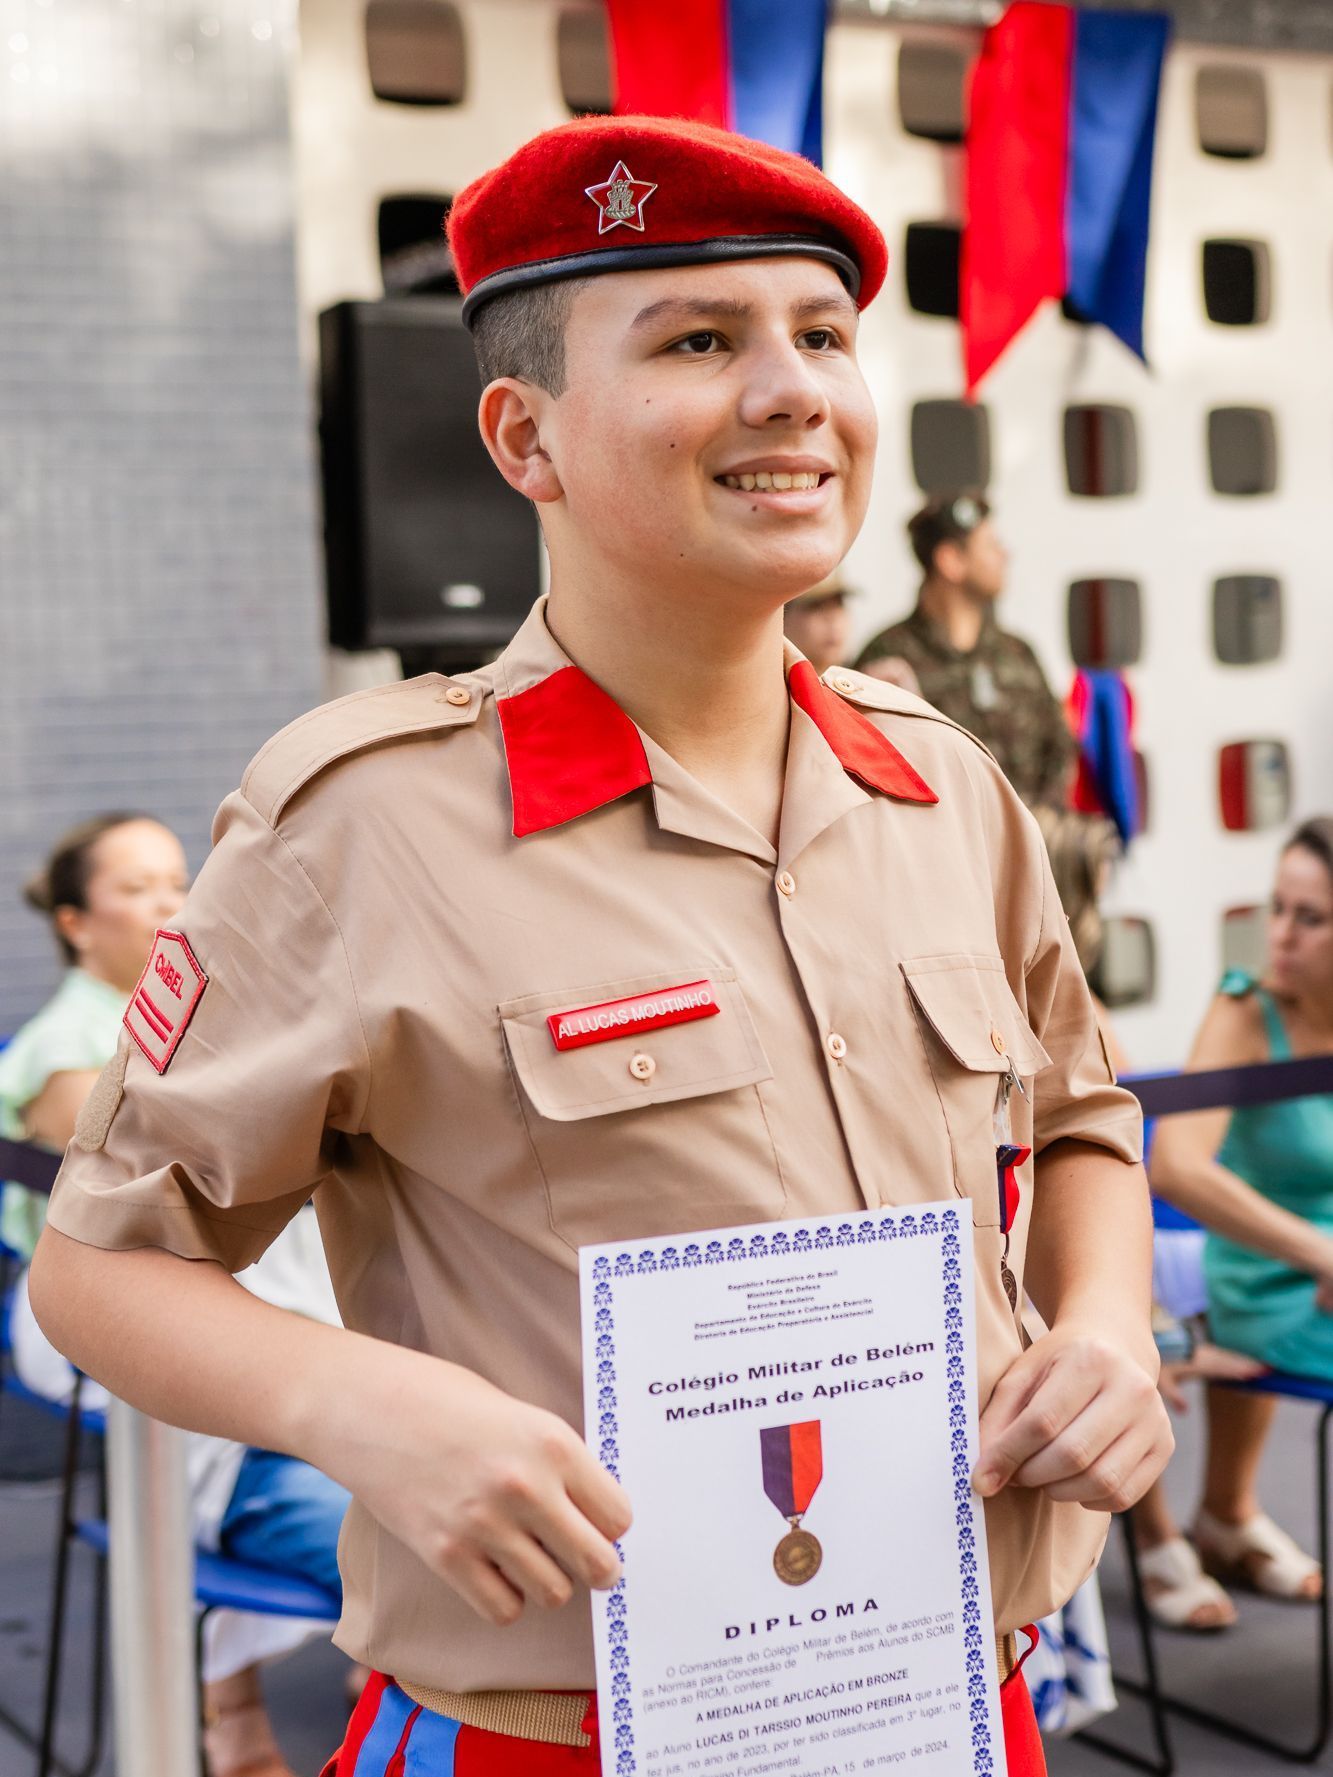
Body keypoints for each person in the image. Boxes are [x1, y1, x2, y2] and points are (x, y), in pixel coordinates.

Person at [29, 117, 1170, 1777]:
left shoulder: (937, 782)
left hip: (950, 1701)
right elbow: (102, 1265)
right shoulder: (356, 822)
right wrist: (362, 1408)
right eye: (699, 340)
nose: (789, 390)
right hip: (570, 1735)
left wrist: (1105, 1326)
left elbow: (1078, 1121)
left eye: (823, 336)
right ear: (523, 436)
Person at [0, 815, 353, 1777]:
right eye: (139, 886)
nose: (172, 902)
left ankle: (294, 1690)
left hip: (246, 1307)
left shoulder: (205, 1016)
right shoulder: (70, 1048)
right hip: (110, 1315)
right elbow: (147, 1185)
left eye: (178, 879)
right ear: (75, 922)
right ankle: (249, 1700)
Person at [1142, 818, 1333, 1623]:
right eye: (1276, 907)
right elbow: (1176, 1165)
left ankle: (1224, 1517)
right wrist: (1322, 1251)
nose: (1278, 934)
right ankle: (1198, 1525)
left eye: (1310, 916)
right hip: (1264, 1273)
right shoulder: (1248, 1007)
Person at [854, 493, 1075, 811]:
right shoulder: (888, 658)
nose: (1005, 555)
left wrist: (1037, 829)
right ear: (951, 561)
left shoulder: (1018, 652)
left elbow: (1059, 749)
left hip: (1026, 845)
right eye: (990, 545)